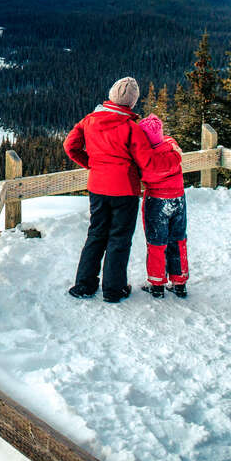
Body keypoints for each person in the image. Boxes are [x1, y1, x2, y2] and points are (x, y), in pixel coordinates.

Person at [63, 77, 177, 303]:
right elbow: (149, 163)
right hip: (124, 191)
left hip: (97, 187)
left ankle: (84, 285)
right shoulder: (131, 128)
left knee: (96, 234)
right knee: (119, 239)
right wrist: (174, 157)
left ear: (111, 96)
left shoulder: (90, 120)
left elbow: (70, 146)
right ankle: (114, 289)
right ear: (132, 103)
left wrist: (92, 164)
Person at [137, 113, 188, 299]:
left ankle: (157, 283)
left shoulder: (146, 159)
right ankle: (179, 282)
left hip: (157, 202)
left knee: (156, 243)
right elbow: (170, 141)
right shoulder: (173, 151)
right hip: (178, 200)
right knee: (178, 240)